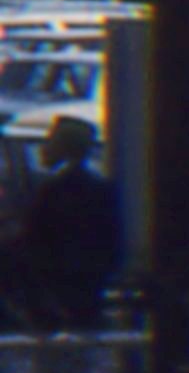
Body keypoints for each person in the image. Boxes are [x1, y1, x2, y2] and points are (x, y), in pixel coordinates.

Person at [16, 116, 116, 331]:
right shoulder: (100, 190)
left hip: (54, 290)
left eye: (50, 140)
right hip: (89, 287)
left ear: (63, 147)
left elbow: (34, 239)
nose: (44, 148)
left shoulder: (52, 190)